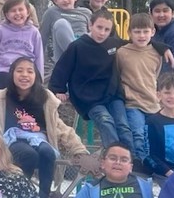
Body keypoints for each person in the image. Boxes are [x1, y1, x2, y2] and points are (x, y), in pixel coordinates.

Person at [0, 57, 89, 198]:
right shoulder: (1, 98)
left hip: (38, 138)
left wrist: (79, 150)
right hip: (12, 139)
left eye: (30, 71)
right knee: (29, 155)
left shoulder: (44, 98)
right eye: (19, 71)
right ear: (12, 74)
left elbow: (59, 127)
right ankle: (18, 196)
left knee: (48, 152)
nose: (24, 75)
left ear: (36, 75)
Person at [48, 11, 136, 150]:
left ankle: (130, 161)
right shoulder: (77, 46)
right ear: (90, 25)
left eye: (107, 29)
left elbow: (138, 43)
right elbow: (62, 68)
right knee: (106, 121)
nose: (102, 33)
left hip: (112, 93)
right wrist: (58, 89)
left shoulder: (113, 43)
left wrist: (162, 48)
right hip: (89, 96)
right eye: (99, 27)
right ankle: (113, 156)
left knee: (123, 126)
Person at [114, 11, 166, 168]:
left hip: (152, 103)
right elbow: (117, 74)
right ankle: (142, 165)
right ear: (130, 33)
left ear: (152, 32)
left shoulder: (157, 54)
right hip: (132, 103)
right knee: (137, 134)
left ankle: (156, 165)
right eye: (137, 32)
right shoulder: (122, 53)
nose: (141, 35)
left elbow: (155, 75)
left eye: (145, 31)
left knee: (154, 136)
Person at [0, 0, 44, 91]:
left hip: (26, 72)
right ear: (7, 15)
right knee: (1, 96)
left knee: (32, 98)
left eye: (21, 10)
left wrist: (39, 80)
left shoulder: (33, 32)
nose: (17, 13)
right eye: (13, 11)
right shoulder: (0, 31)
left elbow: (39, 57)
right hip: (4, 71)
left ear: (28, 12)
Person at [40, 0, 92, 75]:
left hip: (83, 49)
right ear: (55, 1)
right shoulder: (51, 12)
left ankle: (81, 61)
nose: (65, 0)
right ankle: (77, 59)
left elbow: (93, 34)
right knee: (61, 23)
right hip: (63, 55)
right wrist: (39, 63)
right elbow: (42, 38)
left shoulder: (86, 13)